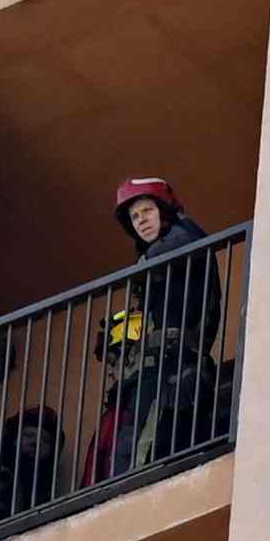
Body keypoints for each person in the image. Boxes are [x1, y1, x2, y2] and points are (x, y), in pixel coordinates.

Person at [85, 176, 230, 483]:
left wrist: (144, 265)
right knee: (134, 444)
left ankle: (123, 498)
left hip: (175, 368)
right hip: (160, 370)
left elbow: (183, 239)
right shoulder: (160, 261)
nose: (141, 221)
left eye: (147, 211)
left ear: (164, 210)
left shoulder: (185, 234)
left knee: (141, 448)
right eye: (135, 217)